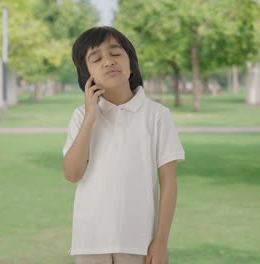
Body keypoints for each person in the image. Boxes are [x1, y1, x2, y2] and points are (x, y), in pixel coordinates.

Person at [62, 26, 185, 264]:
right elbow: (72, 173)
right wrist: (90, 119)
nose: (108, 62)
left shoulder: (157, 115)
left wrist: (160, 242)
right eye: (96, 59)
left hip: (138, 241)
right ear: (86, 75)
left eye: (116, 54)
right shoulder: (80, 117)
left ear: (131, 63)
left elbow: (168, 184)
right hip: (90, 240)